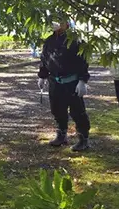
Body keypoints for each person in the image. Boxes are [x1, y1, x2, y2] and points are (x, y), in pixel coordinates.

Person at [38, 20, 91, 151]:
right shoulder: (49, 41)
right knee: (57, 110)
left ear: (67, 24)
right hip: (55, 82)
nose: (57, 24)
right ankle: (61, 134)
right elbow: (45, 59)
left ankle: (83, 138)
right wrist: (42, 76)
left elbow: (83, 61)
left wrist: (82, 80)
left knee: (77, 112)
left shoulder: (76, 41)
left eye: (60, 21)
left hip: (72, 82)